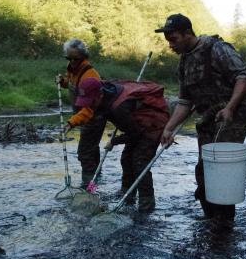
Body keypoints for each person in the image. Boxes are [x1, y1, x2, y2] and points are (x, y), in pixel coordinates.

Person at [156, 13, 246, 221]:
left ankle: (224, 222)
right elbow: (185, 102)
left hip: (234, 114)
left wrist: (230, 107)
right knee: (203, 169)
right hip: (209, 116)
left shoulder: (217, 49)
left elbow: (243, 77)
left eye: (173, 39)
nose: (170, 45)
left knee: (219, 167)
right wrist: (169, 128)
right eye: (167, 41)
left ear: (188, 33)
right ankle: (211, 218)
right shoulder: (183, 63)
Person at [64, 77, 169, 213]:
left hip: (152, 125)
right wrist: (72, 122)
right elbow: (89, 111)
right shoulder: (103, 94)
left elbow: (135, 134)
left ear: (100, 95)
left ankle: (146, 205)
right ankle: (127, 196)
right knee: (126, 159)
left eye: (90, 101)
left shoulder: (119, 108)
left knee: (139, 163)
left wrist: (114, 142)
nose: (89, 104)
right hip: (135, 124)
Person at [57, 38, 106, 187]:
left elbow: (88, 110)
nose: (72, 62)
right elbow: (74, 85)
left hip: (94, 116)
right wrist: (63, 82)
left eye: (75, 59)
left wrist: (71, 123)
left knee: (84, 153)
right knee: (92, 149)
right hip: (83, 116)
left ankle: (88, 187)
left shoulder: (89, 75)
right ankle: (97, 182)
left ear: (84, 57)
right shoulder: (73, 69)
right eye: (68, 58)